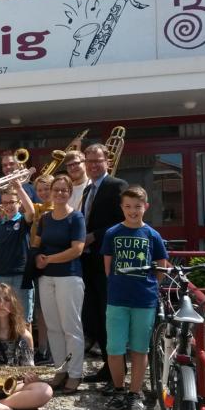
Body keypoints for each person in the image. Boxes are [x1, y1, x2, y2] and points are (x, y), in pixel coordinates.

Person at [101, 186, 169, 410]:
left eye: (137, 206)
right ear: (122, 207)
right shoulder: (112, 233)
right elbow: (108, 267)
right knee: (114, 348)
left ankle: (134, 393)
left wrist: (149, 286)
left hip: (144, 300)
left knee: (140, 349)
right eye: (128, 206)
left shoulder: (152, 235)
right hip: (117, 299)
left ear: (145, 207)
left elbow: (161, 266)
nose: (133, 211)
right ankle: (119, 390)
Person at [80, 143, 129, 388]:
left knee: (109, 317)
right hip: (88, 261)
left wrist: (94, 236)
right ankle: (107, 367)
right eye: (89, 161)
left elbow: (123, 220)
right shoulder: (88, 190)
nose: (93, 165)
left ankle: (117, 371)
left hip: (107, 262)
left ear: (107, 161)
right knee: (94, 317)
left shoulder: (116, 185)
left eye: (97, 161)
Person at [35, 174, 86, 394]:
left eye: (64, 190)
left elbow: (77, 250)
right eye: (56, 189)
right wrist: (37, 256)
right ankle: (60, 369)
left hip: (69, 277)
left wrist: (49, 259)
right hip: (47, 278)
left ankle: (75, 373)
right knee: (53, 327)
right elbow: (37, 242)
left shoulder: (76, 217)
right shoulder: (44, 218)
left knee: (71, 328)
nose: (59, 193)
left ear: (70, 193)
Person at [0, 183, 35, 322]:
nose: (8, 206)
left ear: (19, 203)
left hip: (22, 275)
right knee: (4, 317)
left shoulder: (23, 220)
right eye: (5, 203)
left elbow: (31, 212)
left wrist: (19, 188)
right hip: (2, 276)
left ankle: (26, 339)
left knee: (24, 317)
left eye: (12, 202)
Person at [28, 174, 53, 363]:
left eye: (47, 189)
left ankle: (54, 350)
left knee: (53, 310)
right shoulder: (37, 208)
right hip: (37, 260)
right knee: (40, 310)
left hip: (53, 261)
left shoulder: (59, 209)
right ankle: (43, 349)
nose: (43, 192)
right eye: (40, 190)